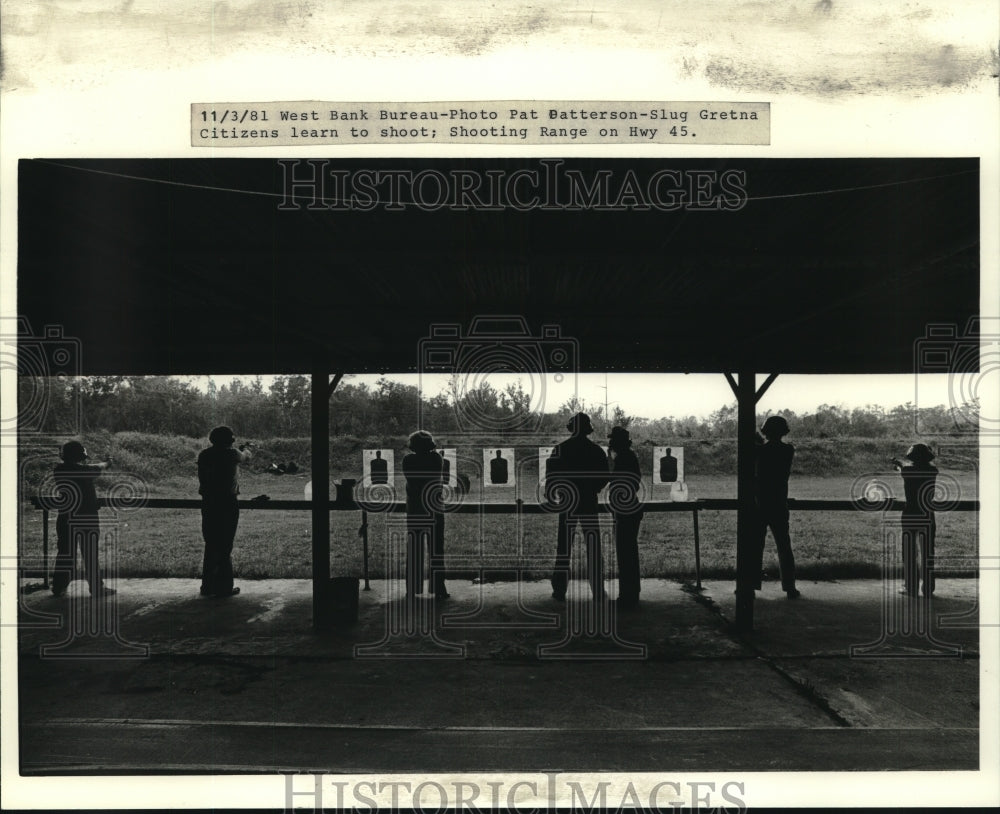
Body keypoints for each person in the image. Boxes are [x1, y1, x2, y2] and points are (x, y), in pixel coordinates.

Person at [547, 412, 611, 601]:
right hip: (588, 501)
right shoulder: (596, 450)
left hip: (568, 501)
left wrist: (556, 494)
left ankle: (559, 590)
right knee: (593, 545)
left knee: (563, 547)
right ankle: (598, 590)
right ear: (587, 429)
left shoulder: (561, 449)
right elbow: (604, 476)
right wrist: (592, 489)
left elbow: (551, 475)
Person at [51, 441, 115, 597]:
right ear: (78, 456)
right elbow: (96, 468)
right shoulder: (80, 470)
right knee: (90, 554)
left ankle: (59, 586)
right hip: (86, 517)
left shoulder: (60, 469)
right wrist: (107, 463)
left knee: (65, 553)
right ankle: (96, 587)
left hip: (65, 517)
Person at [197, 426, 252, 598]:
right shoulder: (233, 454)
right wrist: (246, 449)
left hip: (208, 502)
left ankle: (207, 586)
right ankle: (224, 587)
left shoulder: (204, 455)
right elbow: (246, 457)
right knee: (225, 545)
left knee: (211, 544)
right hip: (227, 502)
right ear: (230, 440)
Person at [755, 415, 800, 598]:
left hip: (760, 502)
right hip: (779, 502)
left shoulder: (759, 451)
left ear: (765, 432)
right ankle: (789, 587)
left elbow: (761, 456)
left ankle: (750, 585)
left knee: (755, 546)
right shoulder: (788, 450)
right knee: (784, 546)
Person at [401, 430, 448, 600]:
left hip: (415, 510)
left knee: (414, 550)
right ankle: (439, 589)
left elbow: (413, 483)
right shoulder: (436, 458)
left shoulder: (408, 460)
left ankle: (412, 590)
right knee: (436, 550)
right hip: (434, 509)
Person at [891, 443, 938, 597]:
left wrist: (897, 464)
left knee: (910, 552)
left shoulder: (907, 470)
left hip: (911, 514)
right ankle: (928, 588)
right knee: (928, 552)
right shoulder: (933, 470)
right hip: (928, 514)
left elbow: (902, 468)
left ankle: (911, 587)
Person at [608, 426, 644, 609]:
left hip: (625, 511)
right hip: (629, 509)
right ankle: (631, 594)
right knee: (629, 553)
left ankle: (627, 597)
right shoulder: (627, 456)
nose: (610, 443)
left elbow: (617, 482)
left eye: (612, 440)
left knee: (626, 554)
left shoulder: (623, 458)